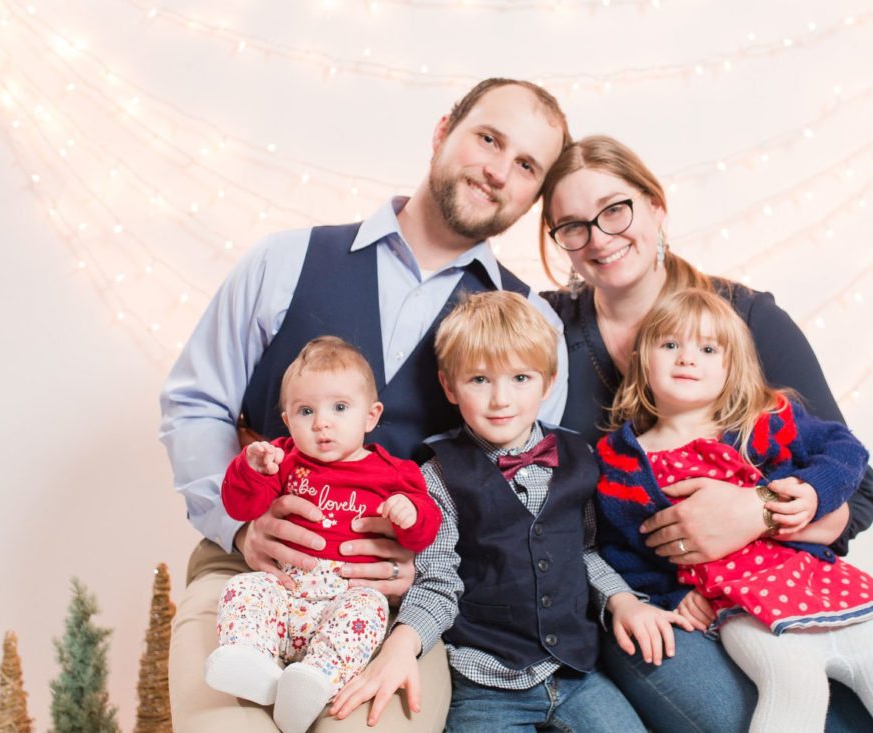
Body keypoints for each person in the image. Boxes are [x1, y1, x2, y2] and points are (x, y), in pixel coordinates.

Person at [159, 77, 572, 733]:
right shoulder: (285, 259)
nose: (499, 171)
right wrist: (240, 527)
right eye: (488, 139)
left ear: (536, 195)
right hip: (247, 576)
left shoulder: (531, 328)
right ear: (443, 131)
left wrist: (427, 574)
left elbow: (525, 504)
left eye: (526, 166)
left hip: (392, 611)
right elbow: (195, 402)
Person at [538, 135, 873, 731]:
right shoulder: (548, 331)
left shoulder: (743, 317)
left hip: (773, 581)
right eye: (573, 226)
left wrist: (757, 512)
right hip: (650, 605)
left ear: (656, 207)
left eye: (615, 210)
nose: (598, 237)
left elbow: (859, 490)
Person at [328, 291, 685, 731]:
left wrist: (623, 600)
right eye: (480, 380)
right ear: (449, 386)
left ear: (548, 383)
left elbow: (585, 552)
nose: (501, 399)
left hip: (577, 672)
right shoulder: (436, 475)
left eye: (520, 378)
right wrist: (403, 644)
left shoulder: (580, 456)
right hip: (485, 681)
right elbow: (436, 578)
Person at [595, 288, 873, 733]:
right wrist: (672, 596)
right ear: (642, 360)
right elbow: (621, 550)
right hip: (744, 609)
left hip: (827, 584)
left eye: (708, 349)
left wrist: (813, 491)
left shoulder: (764, 421)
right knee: (793, 691)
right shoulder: (623, 463)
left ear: (732, 367)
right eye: (669, 345)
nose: (687, 359)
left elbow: (845, 447)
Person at [205, 337, 442, 733]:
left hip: (344, 601)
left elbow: (424, 533)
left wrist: (411, 513)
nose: (322, 423)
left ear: (371, 416)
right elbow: (239, 507)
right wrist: (251, 470)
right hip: (286, 593)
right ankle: (251, 660)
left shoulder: (394, 474)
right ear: (287, 420)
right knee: (245, 587)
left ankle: (313, 681)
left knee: (369, 608)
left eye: (340, 408)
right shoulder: (283, 460)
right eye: (306, 411)